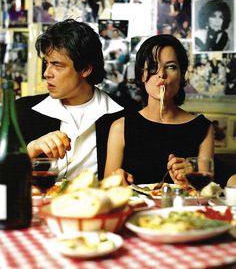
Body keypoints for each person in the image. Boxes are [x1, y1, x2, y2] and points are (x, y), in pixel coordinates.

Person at [16, 19, 124, 181]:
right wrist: (31, 149)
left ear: (86, 69)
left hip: (97, 204)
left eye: (57, 65)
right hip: (40, 205)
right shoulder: (22, 110)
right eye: (47, 63)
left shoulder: (124, 113)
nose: (47, 73)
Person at [104, 34, 214, 185]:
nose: (162, 74)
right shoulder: (120, 127)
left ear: (181, 75)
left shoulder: (203, 128)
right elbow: (107, 189)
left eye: (171, 67)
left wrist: (189, 178)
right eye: (153, 67)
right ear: (142, 75)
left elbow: (205, 189)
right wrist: (116, 179)